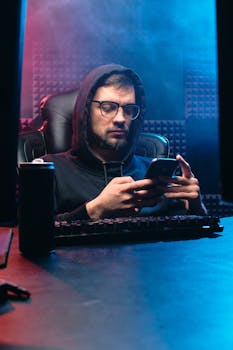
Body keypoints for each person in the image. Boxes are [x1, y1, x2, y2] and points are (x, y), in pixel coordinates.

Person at [42, 63, 207, 221]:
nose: (121, 119)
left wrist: (196, 208)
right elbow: (31, 234)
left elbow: (185, 245)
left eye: (129, 110)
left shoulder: (156, 176)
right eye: (107, 107)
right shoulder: (49, 170)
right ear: (85, 112)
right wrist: (94, 210)